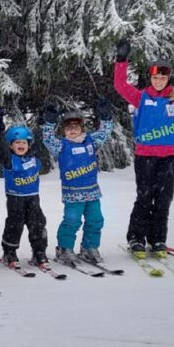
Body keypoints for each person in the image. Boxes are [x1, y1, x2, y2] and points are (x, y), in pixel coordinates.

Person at [113, 39, 174, 258]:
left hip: (170, 157)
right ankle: (136, 238)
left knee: (164, 199)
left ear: (169, 78)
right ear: (150, 77)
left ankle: (158, 239)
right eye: (155, 77)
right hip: (145, 156)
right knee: (144, 197)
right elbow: (121, 85)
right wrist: (121, 60)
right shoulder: (141, 97)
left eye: (163, 77)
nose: (158, 81)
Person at [41, 102, 114, 264]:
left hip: (92, 192)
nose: (72, 130)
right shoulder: (61, 145)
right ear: (64, 131)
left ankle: (89, 247)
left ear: (82, 128)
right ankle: (64, 249)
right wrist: (49, 122)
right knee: (72, 221)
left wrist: (106, 118)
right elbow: (47, 139)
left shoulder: (91, 141)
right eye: (68, 128)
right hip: (73, 193)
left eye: (76, 127)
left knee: (96, 220)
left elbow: (105, 132)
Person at [0, 124, 49, 268]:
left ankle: (39, 252)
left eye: (24, 142)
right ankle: (10, 252)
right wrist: (0, 132)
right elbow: (0, 148)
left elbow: (41, 143)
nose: (21, 145)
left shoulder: (34, 159)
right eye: (17, 142)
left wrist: (42, 124)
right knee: (14, 225)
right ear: (10, 145)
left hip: (33, 198)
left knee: (38, 223)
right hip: (15, 199)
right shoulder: (9, 160)